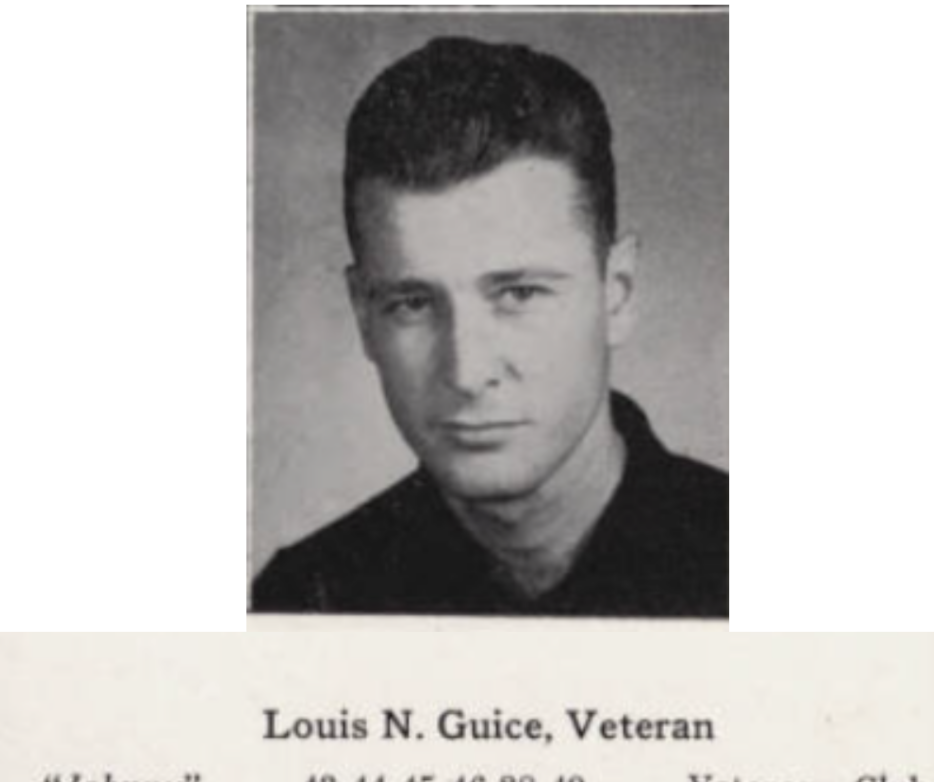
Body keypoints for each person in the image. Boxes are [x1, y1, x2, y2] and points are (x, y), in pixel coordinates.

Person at [251, 36, 727, 617]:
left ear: (617, 294)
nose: (468, 371)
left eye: (519, 293)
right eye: (412, 303)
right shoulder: (301, 603)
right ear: (363, 317)